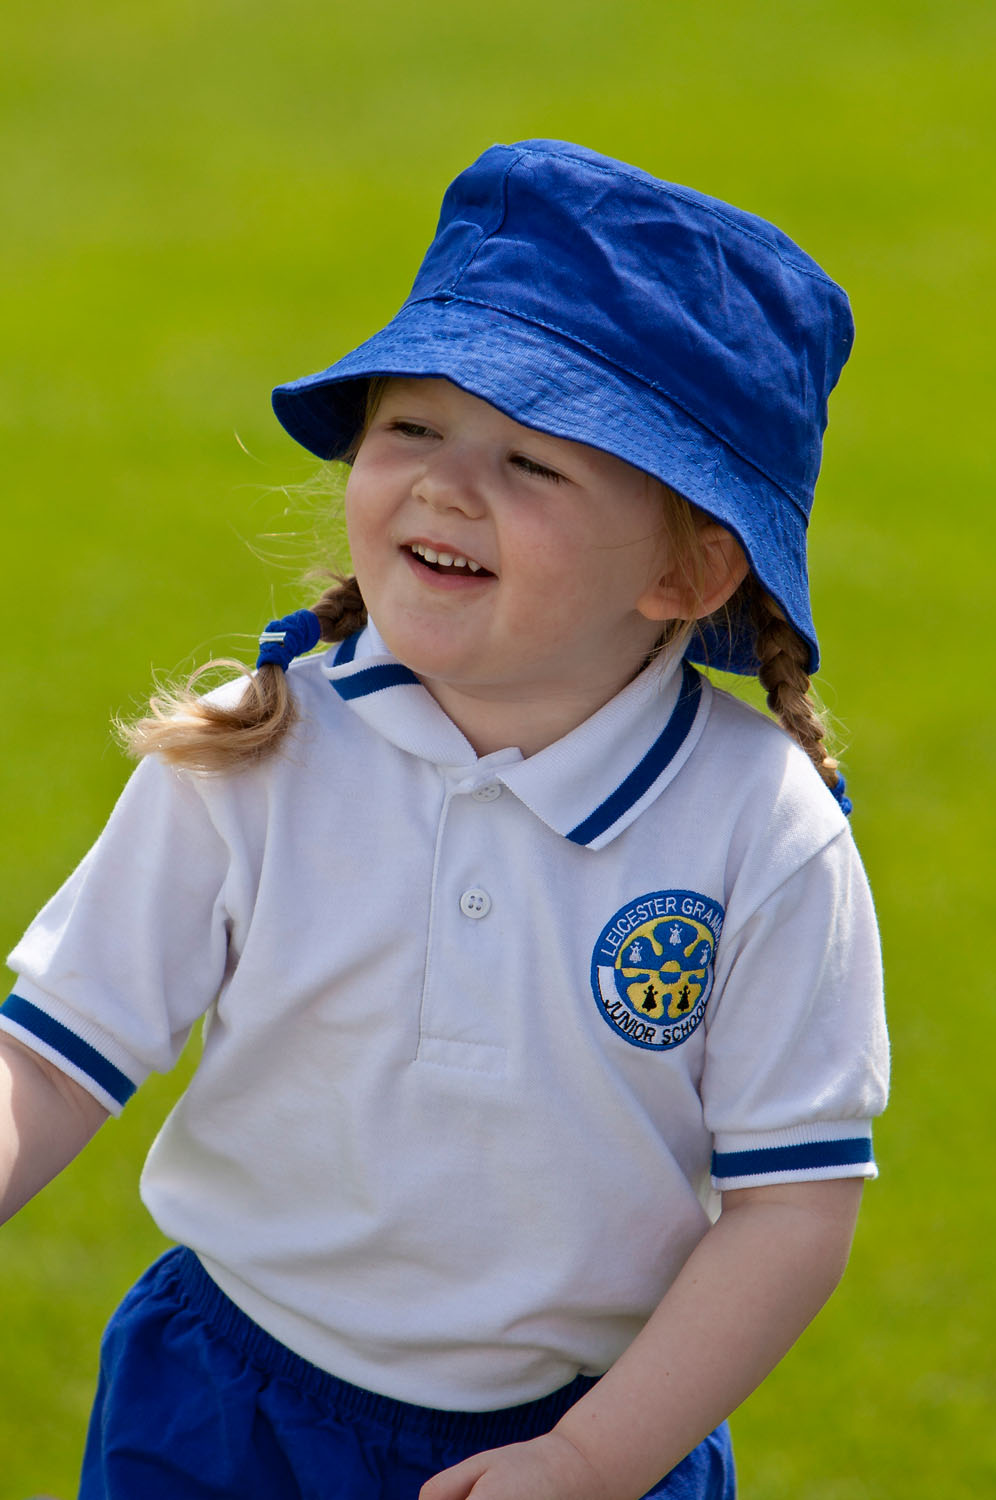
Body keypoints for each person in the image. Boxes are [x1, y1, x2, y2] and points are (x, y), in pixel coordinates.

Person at [0, 139, 889, 1500]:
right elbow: (55, 1057)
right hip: (217, 1412)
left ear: (689, 564)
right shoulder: (257, 745)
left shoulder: (760, 833)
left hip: (583, 1439)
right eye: (412, 425)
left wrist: (595, 1460)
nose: (444, 485)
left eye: (533, 460)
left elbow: (793, 1209)